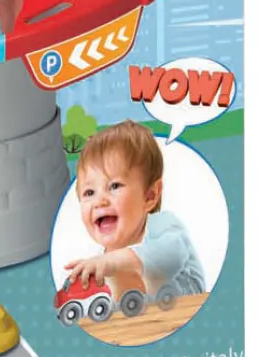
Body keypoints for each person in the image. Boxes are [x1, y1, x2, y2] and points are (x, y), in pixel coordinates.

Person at [66, 120, 206, 299]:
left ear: (149, 196)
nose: (99, 202)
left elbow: (172, 256)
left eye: (115, 186)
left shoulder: (161, 225)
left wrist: (114, 262)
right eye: (89, 192)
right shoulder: (100, 261)